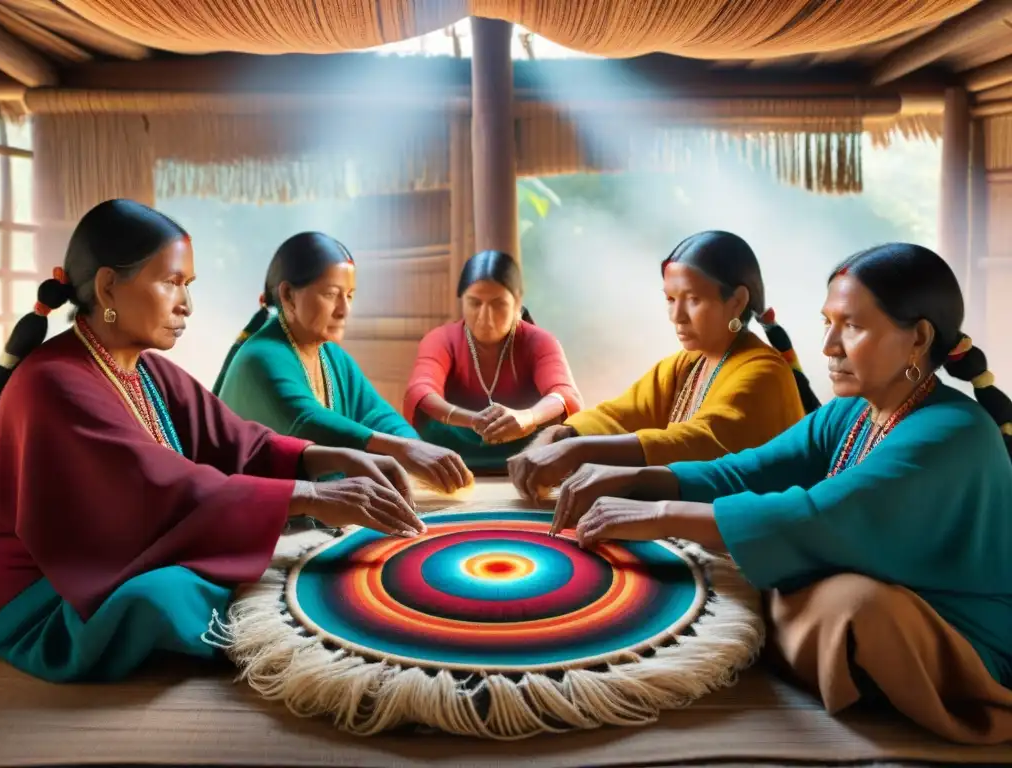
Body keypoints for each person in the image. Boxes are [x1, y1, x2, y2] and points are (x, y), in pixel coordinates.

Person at [549, 243, 1012, 744]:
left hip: (956, 634)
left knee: (853, 606)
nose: (830, 345)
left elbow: (815, 516)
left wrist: (660, 513)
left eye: (852, 326)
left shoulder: (952, 432)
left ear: (918, 337)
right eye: (827, 323)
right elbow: (749, 470)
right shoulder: (854, 411)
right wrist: (635, 479)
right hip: (853, 585)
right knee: (755, 570)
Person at [0, 200, 426, 684]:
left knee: (232, 575)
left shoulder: (143, 368)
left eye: (188, 286)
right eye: (172, 283)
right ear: (109, 286)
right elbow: (153, 488)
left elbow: (234, 441)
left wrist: (328, 458)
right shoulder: (52, 383)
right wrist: (314, 497)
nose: (186, 305)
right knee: (160, 597)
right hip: (48, 589)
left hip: (110, 557)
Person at [508, 230, 817, 501]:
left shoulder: (765, 373)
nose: (677, 316)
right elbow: (620, 414)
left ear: (736, 301)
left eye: (693, 299)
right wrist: (562, 437)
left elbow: (699, 443)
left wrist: (579, 451)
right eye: (671, 299)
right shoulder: (687, 364)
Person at [215, 232, 474, 494]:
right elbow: (307, 421)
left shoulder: (331, 356)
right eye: (331, 294)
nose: (344, 309)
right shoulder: (261, 357)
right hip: (255, 509)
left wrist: (414, 446)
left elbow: (376, 414)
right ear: (288, 295)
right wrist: (405, 450)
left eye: (349, 296)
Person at [403, 250, 584, 471]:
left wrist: (527, 417)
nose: (485, 317)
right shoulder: (442, 339)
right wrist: (473, 421)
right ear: (462, 301)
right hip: (456, 452)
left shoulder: (540, 341)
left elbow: (565, 394)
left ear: (517, 302)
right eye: (475, 303)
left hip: (526, 449)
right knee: (430, 429)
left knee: (557, 432)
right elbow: (420, 391)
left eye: (498, 304)